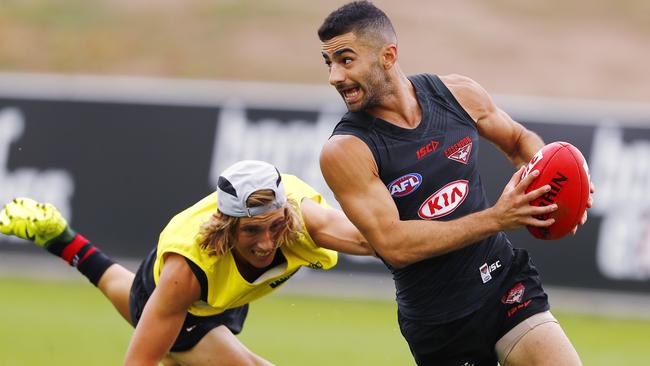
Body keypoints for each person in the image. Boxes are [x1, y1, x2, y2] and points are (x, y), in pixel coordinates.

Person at [317, 2, 594, 365]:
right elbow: (393, 244)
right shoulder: (346, 150)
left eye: (346, 60)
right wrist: (497, 218)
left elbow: (518, 139)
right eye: (329, 63)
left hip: (503, 283)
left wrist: (557, 186)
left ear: (388, 56)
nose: (335, 76)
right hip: (441, 323)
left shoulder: (459, 94)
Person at [0, 160, 373, 366]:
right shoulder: (189, 266)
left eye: (275, 226)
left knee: (139, 302)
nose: (266, 243)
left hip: (220, 298)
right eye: (251, 232)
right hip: (183, 298)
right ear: (226, 229)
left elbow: (379, 238)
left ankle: (63, 240)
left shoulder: (306, 221)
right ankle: (65, 243)